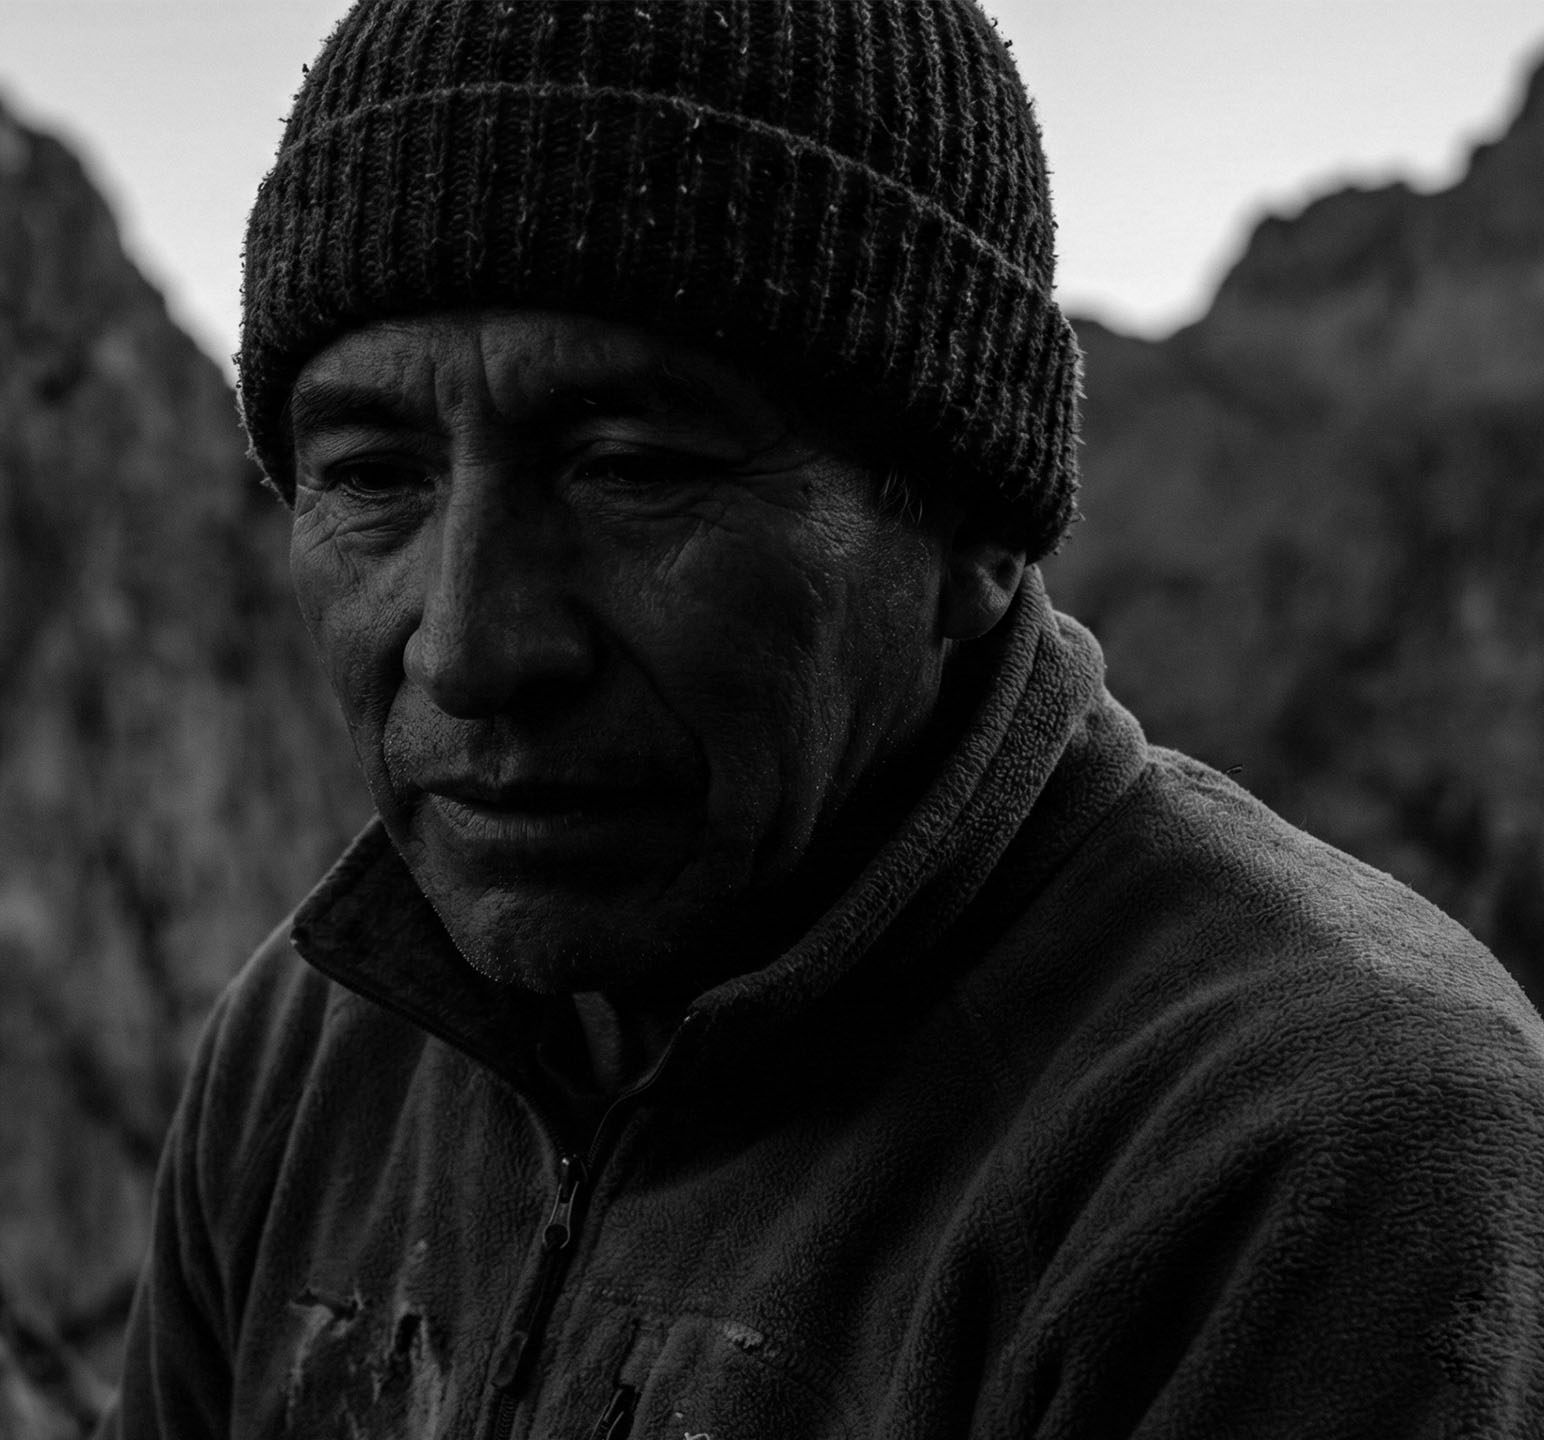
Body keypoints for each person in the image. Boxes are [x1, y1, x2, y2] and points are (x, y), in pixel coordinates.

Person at [102, 3, 1544, 1436]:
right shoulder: (313, 1058)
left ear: (975, 535)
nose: (474, 646)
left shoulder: (1307, 1159)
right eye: (370, 475)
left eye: (634, 465)